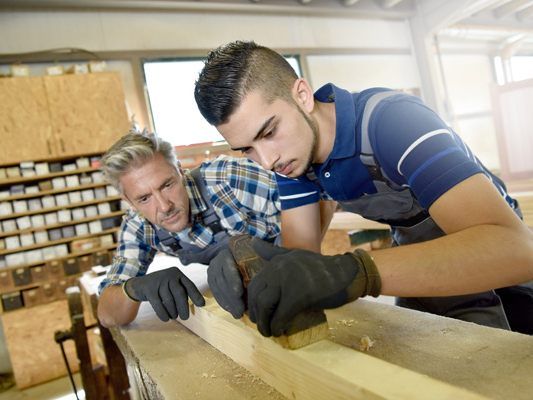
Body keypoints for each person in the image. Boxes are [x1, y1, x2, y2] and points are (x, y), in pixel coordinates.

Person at [194, 40, 533, 337]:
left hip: (501, 278)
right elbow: (301, 259)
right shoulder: (291, 159)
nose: (266, 160)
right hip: (419, 263)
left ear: (302, 95)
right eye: (247, 149)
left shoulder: (391, 122)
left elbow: (515, 249)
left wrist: (355, 271)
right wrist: (252, 266)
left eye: (268, 132)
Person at [96, 131, 280, 327]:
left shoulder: (226, 178)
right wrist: (132, 289)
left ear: (180, 170)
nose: (165, 206)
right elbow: (108, 316)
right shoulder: (138, 227)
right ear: (129, 202)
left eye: (167, 185)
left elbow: (310, 207)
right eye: (144, 198)